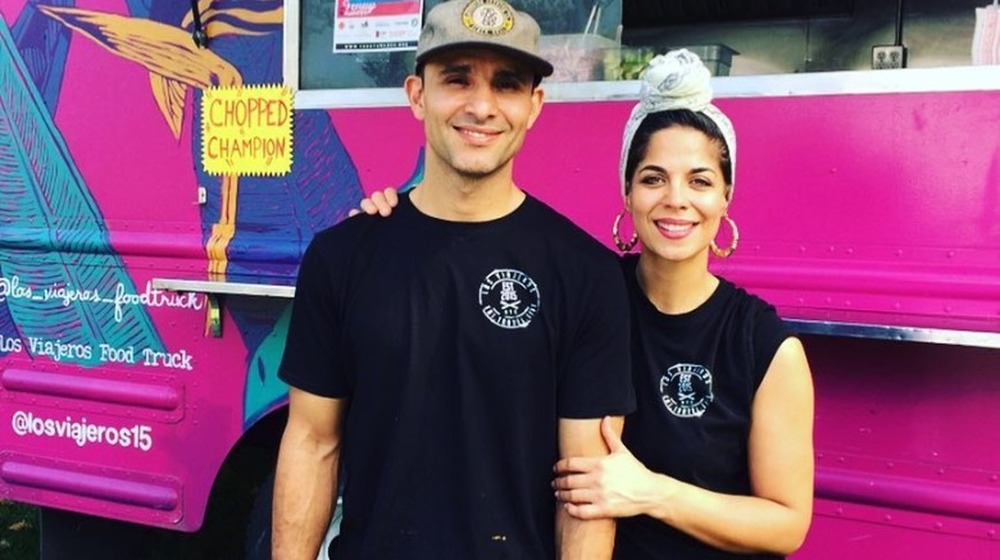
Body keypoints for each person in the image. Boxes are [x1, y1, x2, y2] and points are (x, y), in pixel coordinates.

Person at [358, 49, 815, 559]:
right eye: (653, 178)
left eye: (701, 181)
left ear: (726, 197)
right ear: (627, 191)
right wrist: (404, 221)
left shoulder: (763, 346)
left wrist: (653, 493)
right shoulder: (582, 290)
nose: (676, 199)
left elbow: (786, 523)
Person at [271, 1, 634, 559]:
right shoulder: (342, 256)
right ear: (417, 94)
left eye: (507, 85)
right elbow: (313, 442)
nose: (481, 106)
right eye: (457, 79)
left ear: (534, 105)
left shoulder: (586, 274)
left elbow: (582, 491)